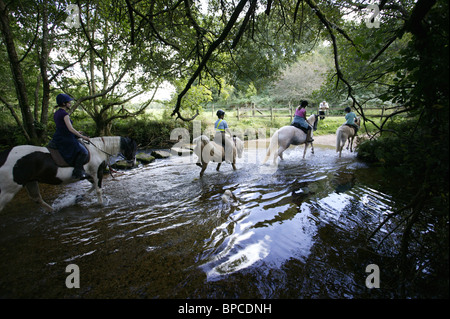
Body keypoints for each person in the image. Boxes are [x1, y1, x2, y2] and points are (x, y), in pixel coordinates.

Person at [50, 93, 91, 179]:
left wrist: (78, 132)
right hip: (66, 138)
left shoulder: (57, 113)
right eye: (68, 102)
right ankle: (77, 172)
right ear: (64, 103)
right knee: (84, 152)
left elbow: (63, 127)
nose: (70, 104)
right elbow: (70, 129)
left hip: (58, 136)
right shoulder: (65, 114)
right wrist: (83, 137)